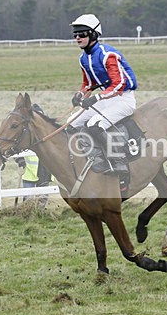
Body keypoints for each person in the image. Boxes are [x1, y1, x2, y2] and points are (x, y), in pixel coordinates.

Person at [68, 13, 137, 191]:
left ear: (93, 34)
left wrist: (96, 97)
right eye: (75, 34)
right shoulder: (83, 58)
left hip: (123, 99)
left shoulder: (108, 55)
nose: (77, 38)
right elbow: (88, 84)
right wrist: (80, 94)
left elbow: (119, 84)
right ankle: (86, 161)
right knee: (71, 123)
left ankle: (120, 164)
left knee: (95, 124)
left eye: (81, 34)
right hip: (106, 98)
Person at [15, 104, 52, 207]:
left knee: (42, 197)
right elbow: (16, 148)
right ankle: (27, 213)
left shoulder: (49, 132)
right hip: (29, 171)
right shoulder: (26, 133)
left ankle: (41, 212)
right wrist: (20, 160)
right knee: (27, 199)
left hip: (45, 170)